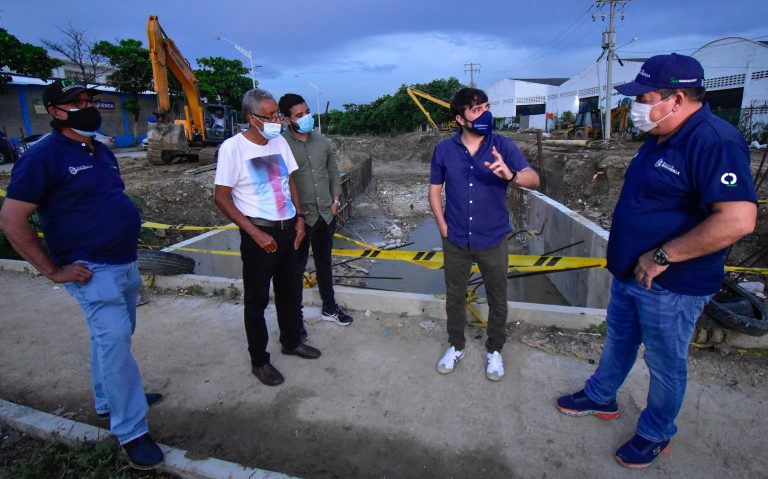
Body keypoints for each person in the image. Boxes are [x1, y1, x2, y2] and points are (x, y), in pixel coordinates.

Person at [555, 54, 757, 469]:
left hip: (672, 285)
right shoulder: (662, 136)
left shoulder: (713, 141)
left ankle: (656, 431)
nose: (636, 108)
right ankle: (601, 396)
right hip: (633, 273)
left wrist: (664, 255)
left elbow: (738, 219)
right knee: (619, 340)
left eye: (643, 98)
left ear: (676, 98)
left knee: (664, 362)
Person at [0, 79, 164, 470]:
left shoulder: (100, 150)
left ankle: (111, 400)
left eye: (89, 100)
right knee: (116, 339)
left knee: (111, 341)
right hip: (91, 271)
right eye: (76, 103)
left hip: (124, 262)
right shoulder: (43, 156)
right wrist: (53, 270)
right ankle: (131, 430)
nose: (86, 107)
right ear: (55, 112)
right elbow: (11, 218)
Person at [429, 87, 540, 382]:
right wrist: (441, 224)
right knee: (454, 296)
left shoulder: (503, 146)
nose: (485, 115)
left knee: (497, 296)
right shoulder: (443, 150)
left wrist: (512, 176)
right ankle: (456, 345)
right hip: (455, 238)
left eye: (487, 108)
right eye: (477, 110)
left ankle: (495, 350)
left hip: (493, 237)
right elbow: (434, 189)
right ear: (460, 118)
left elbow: (534, 178)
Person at [214, 88, 321, 387]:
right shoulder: (232, 149)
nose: (277, 119)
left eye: (277, 114)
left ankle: (291, 341)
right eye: (270, 115)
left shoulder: (279, 142)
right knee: (257, 301)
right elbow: (221, 198)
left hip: (289, 229)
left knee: (290, 293)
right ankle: (259, 360)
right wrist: (254, 233)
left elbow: (290, 181)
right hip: (260, 235)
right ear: (251, 118)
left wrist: (299, 218)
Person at [278, 93, 352, 340]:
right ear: (287, 119)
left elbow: (332, 171)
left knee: (324, 262)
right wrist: (294, 213)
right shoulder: (280, 146)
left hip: (324, 215)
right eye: (299, 115)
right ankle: (295, 321)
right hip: (298, 219)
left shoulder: (322, 142)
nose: (306, 118)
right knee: (294, 270)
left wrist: (336, 199)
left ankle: (329, 307)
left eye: (307, 112)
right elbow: (279, 183)